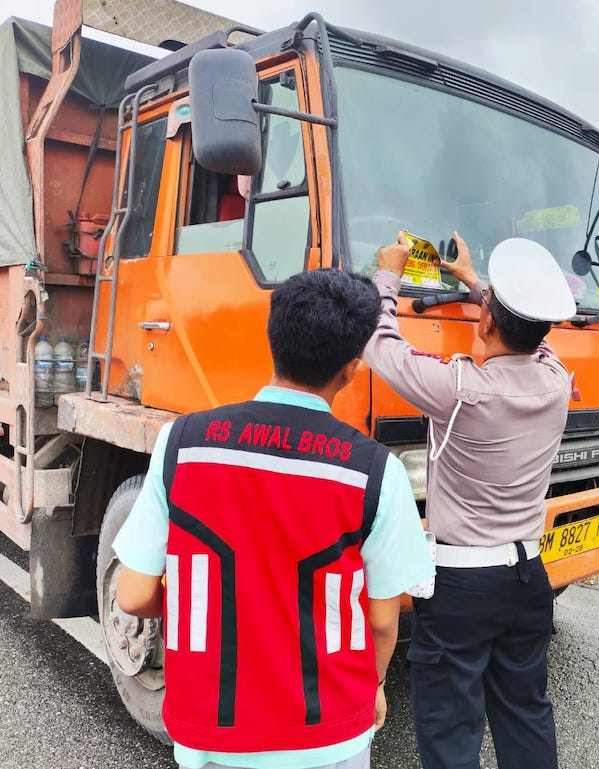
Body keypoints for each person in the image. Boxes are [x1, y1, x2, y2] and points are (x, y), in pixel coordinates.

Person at [113, 268, 435, 769]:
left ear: (273, 340)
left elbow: (132, 595)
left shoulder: (183, 444)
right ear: (352, 368)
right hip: (328, 734)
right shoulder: (375, 470)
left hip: (211, 730)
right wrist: (373, 686)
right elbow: (381, 618)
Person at [362, 231, 576, 769]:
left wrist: (388, 276)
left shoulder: (460, 388)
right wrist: (477, 283)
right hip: (529, 578)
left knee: (452, 725)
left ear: (486, 323)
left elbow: (378, 345)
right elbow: (534, 337)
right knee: (526, 712)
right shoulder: (555, 380)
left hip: (460, 585)